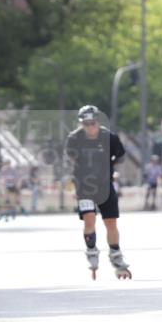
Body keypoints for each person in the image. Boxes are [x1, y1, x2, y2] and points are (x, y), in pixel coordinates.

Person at [64, 105, 131, 279]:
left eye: (92, 123)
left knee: (111, 224)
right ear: (81, 124)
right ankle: (91, 251)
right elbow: (71, 157)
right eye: (86, 124)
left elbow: (121, 156)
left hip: (105, 185)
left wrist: (108, 166)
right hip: (85, 186)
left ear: (98, 122)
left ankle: (115, 254)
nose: (90, 127)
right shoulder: (74, 138)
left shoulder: (109, 137)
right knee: (89, 221)